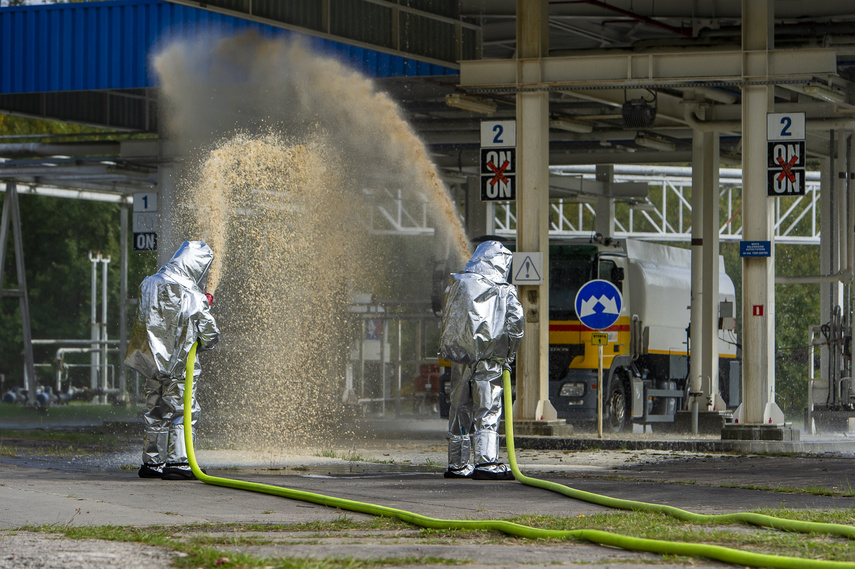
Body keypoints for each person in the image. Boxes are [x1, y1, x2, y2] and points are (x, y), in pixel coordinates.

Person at [125, 241, 220, 480]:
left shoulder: (149, 282)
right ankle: (179, 462)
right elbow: (209, 333)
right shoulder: (191, 292)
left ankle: (152, 463)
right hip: (180, 365)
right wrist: (207, 336)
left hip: (151, 363)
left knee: (156, 409)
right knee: (182, 410)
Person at [439, 240, 524, 480]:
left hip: (460, 360)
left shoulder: (457, 284)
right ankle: (486, 463)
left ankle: (457, 464)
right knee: (487, 409)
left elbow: (448, 319)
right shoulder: (504, 289)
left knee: (459, 410)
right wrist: (509, 355)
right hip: (490, 361)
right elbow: (516, 326)